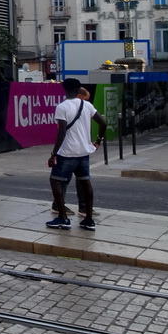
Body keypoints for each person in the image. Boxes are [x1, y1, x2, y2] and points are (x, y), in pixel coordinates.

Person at [47, 78, 107, 231]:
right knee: (85, 182)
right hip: (84, 152)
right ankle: (88, 219)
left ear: (64, 89)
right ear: (78, 89)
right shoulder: (87, 105)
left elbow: (61, 132)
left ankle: (62, 217)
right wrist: (98, 140)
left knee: (55, 181)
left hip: (67, 152)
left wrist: (54, 153)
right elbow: (103, 123)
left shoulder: (62, 107)